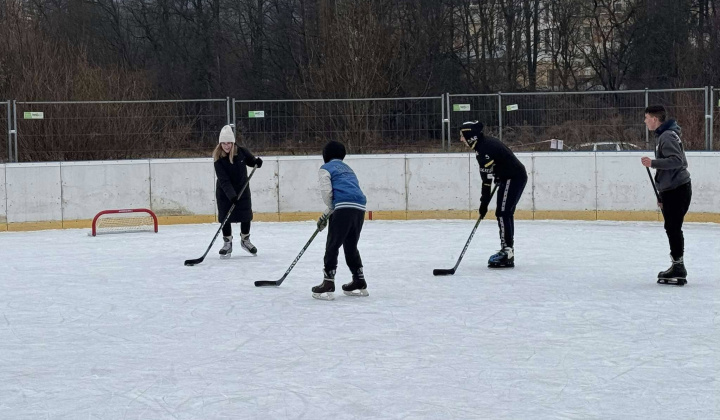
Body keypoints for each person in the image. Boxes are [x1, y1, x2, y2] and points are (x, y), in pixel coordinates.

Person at [460, 121, 528, 268]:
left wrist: (484, 202)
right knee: (504, 213)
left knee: (503, 212)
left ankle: (507, 252)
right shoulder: (482, 147)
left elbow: (486, 180)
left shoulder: (484, 148)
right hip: (509, 177)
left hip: (513, 177)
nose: (461, 139)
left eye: (462, 136)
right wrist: (484, 203)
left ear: (470, 137)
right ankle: (507, 250)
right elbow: (487, 179)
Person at [641, 105, 692, 285]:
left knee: (673, 227)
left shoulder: (667, 136)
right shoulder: (666, 135)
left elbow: (677, 161)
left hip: (677, 188)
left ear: (655, 119)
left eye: (647, 117)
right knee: (672, 227)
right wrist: (662, 194)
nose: (645, 121)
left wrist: (653, 162)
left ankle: (678, 266)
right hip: (674, 189)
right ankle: (677, 264)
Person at [311, 140, 368, 300]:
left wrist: (326, 214)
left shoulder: (325, 169)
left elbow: (327, 194)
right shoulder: (349, 169)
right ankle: (359, 280)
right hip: (359, 207)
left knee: (332, 245)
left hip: (343, 207)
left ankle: (328, 281)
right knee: (351, 246)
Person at [212, 125, 263, 258]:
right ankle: (227, 243)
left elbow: (250, 161)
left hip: (242, 189)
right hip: (225, 192)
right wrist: (231, 195)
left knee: (245, 215)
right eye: (224, 143)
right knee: (225, 217)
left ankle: (245, 240)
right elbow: (224, 181)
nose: (227, 146)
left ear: (233, 142)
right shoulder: (218, 158)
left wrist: (256, 162)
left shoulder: (241, 151)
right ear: (220, 143)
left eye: (229, 143)